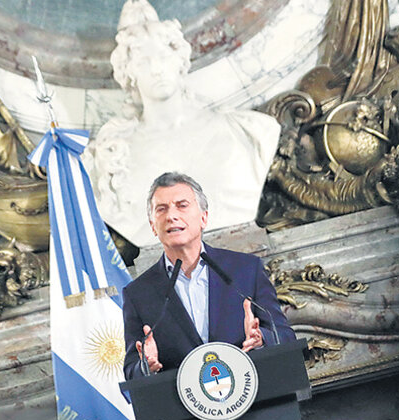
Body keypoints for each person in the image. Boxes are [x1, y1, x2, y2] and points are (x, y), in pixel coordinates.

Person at [85, 0, 281, 248]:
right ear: (129, 73)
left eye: (163, 56)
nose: (157, 69)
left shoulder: (249, 131)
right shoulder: (110, 159)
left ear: (180, 60)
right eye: (144, 62)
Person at [122, 172, 296, 379]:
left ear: (203, 217)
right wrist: (145, 366)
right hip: (184, 407)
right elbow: (131, 370)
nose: (171, 216)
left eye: (182, 205)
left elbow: (285, 337)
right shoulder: (138, 294)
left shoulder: (245, 270)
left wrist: (262, 339)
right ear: (153, 226)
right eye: (162, 209)